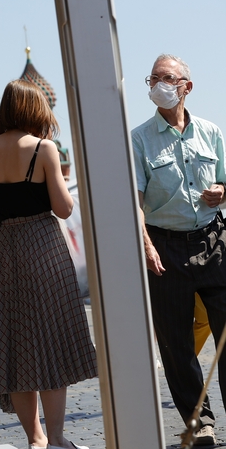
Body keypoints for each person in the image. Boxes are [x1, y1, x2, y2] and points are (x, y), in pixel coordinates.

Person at [0, 79, 96, 449]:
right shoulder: (44, 149)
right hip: (43, 247)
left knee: (18, 345)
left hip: (8, 249)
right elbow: (63, 208)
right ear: (34, 110)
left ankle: (35, 438)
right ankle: (58, 437)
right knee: (51, 340)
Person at [133, 54, 226, 447]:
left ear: (186, 86)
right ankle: (199, 421)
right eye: (153, 78)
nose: (158, 84)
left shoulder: (211, 132)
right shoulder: (139, 138)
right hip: (165, 249)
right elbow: (133, 202)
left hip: (213, 240)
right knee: (176, 344)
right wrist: (146, 246)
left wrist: (222, 192)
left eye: (166, 77)